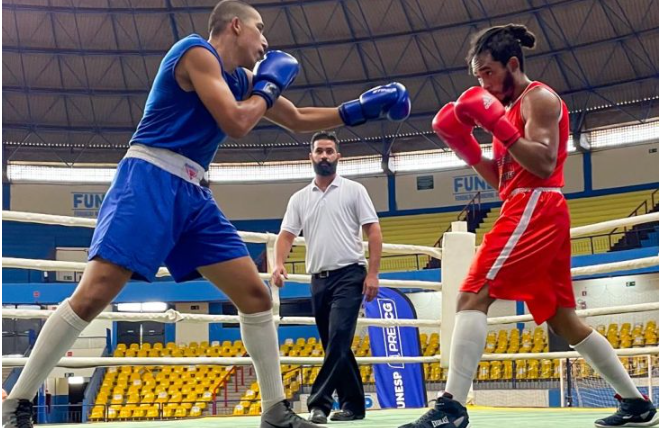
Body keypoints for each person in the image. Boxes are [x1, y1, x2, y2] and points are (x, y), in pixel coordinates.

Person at [1, 1, 410, 428]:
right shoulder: (195, 53)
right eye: (259, 29)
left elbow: (299, 118)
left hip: (194, 192)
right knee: (94, 294)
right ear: (236, 26)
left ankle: (274, 410)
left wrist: (359, 110)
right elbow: (236, 122)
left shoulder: (243, 80)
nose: (266, 41)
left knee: (254, 296)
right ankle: (18, 401)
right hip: (150, 176)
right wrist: (265, 90)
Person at [399, 24, 658, 428]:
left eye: (487, 72)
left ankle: (451, 406)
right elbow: (505, 180)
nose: (483, 83)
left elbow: (541, 163)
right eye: (478, 76)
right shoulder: (506, 111)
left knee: (472, 296)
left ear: (512, 64)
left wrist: (495, 125)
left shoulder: (539, 98)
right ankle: (636, 402)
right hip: (528, 203)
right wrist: (466, 147)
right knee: (563, 320)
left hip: (535, 206)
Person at [271, 131, 384, 423]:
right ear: (311, 157)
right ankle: (354, 406)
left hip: (350, 274)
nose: (324, 155)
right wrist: (278, 264)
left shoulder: (354, 190)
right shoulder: (299, 198)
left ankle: (318, 403)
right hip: (318, 280)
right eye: (319, 151)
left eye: (329, 151)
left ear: (338, 156)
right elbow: (285, 236)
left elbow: (373, 231)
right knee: (335, 343)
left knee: (337, 338)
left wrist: (372, 273)